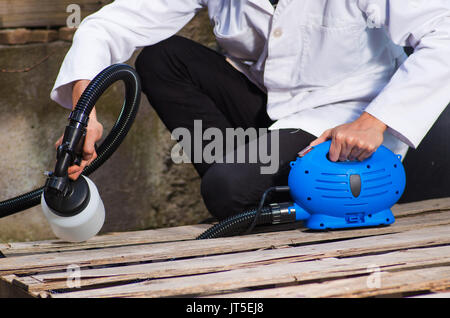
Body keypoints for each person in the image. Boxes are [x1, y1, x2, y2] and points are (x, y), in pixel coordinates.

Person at [52, 0, 450, 220]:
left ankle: (252, 195)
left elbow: (445, 31)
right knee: (161, 58)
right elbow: (109, 26)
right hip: (271, 108)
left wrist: (372, 122)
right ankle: (250, 188)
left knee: (226, 190)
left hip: (343, 119)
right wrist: (83, 113)